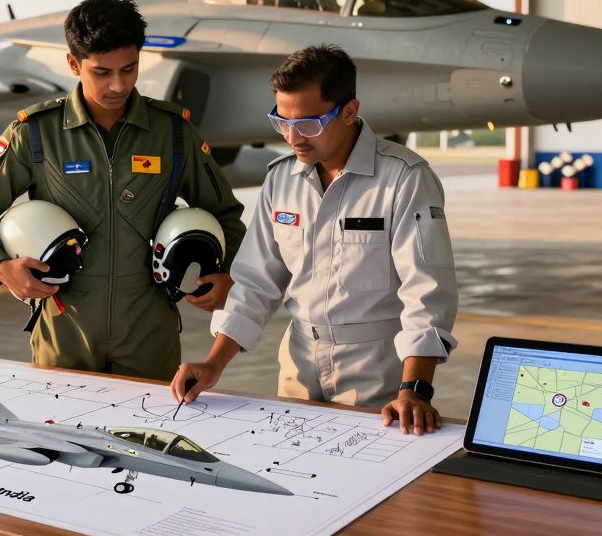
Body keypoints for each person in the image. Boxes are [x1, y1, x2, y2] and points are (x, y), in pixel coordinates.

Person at [0, 0, 246, 381]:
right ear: (73, 64)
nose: (118, 85)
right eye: (101, 72)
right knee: (60, 437)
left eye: (129, 68)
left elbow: (226, 215)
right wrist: (0, 266)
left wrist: (225, 273)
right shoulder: (37, 133)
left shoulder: (173, 134)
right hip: (64, 332)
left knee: (148, 438)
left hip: (148, 334)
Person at [169, 44, 457, 434]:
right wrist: (213, 363)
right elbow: (255, 282)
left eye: (307, 124)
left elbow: (426, 291)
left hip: (377, 374)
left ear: (350, 111)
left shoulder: (404, 179)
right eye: (281, 122)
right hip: (298, 366)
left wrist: (414, 390)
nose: (293, 137)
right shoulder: (281, 179)